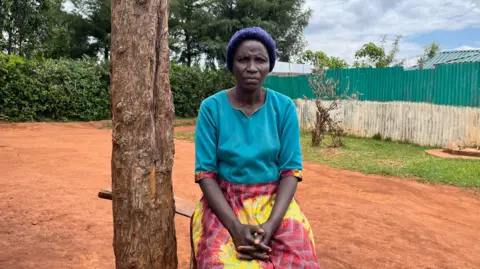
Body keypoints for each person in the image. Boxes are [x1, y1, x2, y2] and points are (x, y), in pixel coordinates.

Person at [190, 26, 321, 269]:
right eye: (243, 59)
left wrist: (271, 225)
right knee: (218, 262)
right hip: (225, 202)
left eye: (260, 60)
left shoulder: (283, 108)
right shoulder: (212, 108)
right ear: (232, 65)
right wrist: (236, 228)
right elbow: (205, 174)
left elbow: (291, 171)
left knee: (301, 261)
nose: (251, 67)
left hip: (274, 201)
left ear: (269, 66)